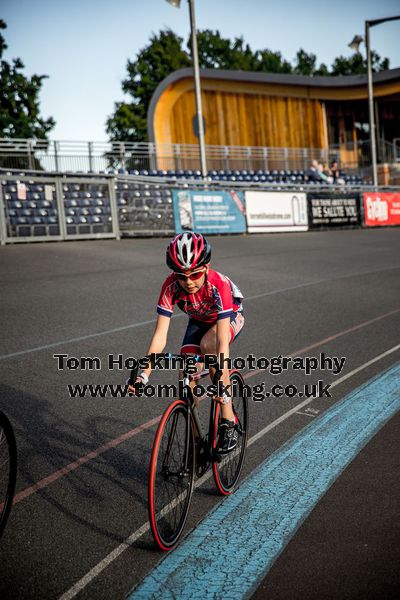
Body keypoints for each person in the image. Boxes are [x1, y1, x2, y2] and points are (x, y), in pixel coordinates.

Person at [129, 231, 245, 454]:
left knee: (210, 347)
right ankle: (196, 442)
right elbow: (160, 336)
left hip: (228, 318)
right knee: (186, 378)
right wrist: (145, 374)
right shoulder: (170, 286)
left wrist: (221, 377)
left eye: (195, 275)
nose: (188, 282)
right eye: (182, 276)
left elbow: (221, 340)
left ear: (207, 268)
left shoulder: (217, 285)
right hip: (199, 320)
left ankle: (228, 422)